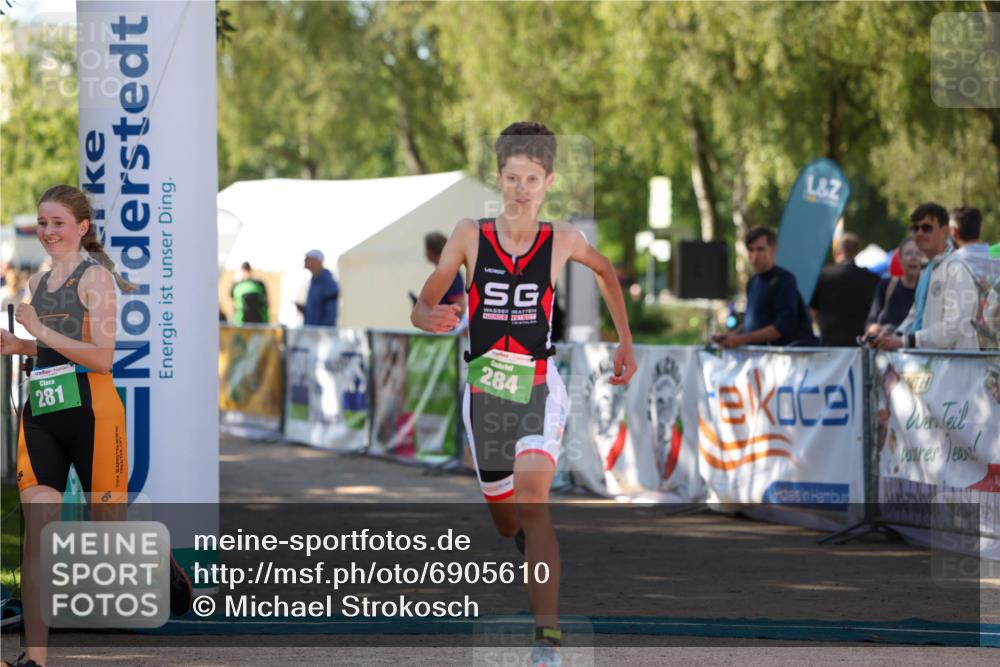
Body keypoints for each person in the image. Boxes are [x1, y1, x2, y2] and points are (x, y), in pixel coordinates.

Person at [410, 121, 636, 667]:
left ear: (548, 180)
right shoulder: (470, 234)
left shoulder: (561, 240)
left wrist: (625, 338)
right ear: (499, 177)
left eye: (532, 178)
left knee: (534, 504)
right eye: (512, 177)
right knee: (507, 518)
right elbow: (426, 301)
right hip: (485, 392)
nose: (521, 188)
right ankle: (518, 537)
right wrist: (426, 315)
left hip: (539, 385)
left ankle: (547, 640)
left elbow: (606, 271)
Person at [0, 185, 191, 667]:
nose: (47, 232)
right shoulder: (36, 284)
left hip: (93, 412)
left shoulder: (96, 279)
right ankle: (35, 656)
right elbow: (54, 350)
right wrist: (20, 346)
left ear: (82, 227)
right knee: (38, 533)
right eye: (42, 223)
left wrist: (38, 331)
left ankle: (157, 556)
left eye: (57, 223)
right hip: (42, 411)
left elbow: (102, 358)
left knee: (109, 531)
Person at [875, 202, 980, 351]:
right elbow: (915, 317)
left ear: (945, 231)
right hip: (930, 365)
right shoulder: (927, 270)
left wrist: (904, 341)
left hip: (956, 368)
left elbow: (954, 327)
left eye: (926, 228)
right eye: (915, 228)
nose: (919, 233)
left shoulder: (956, 268)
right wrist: (889, 337)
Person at [714, 226, 817, 348]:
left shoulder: (784, 280)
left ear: (773, 250)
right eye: (751, 250)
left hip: (788, 360)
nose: (755, 256)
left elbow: (783, 326)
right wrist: (731, 337)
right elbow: (755, 323)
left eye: (760, 249)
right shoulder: (752, 283)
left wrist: (741, 339)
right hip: (762, 361)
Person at [810, 232, 880, 346]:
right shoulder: (873, 278)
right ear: (857, 252)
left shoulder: (823, 275)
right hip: (861, 346)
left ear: (837, 252)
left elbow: (813, 311)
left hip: (830, 344)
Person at [864, 237, 921, 337]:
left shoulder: (928, 290)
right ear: (900, 259)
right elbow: (870, 322)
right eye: (909, 253)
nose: (913, 258)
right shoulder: (886, 285)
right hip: (885, 350)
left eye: (918, 254)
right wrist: (875, 330)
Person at [297, 249, 339, 326]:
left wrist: (322, 334)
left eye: (308, 258)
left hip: (320, 335)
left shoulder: (328, 283)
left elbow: (331, 315)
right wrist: (305, 310)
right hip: (312, 333)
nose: (305, 261)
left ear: (317, 261)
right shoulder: (314, 281)